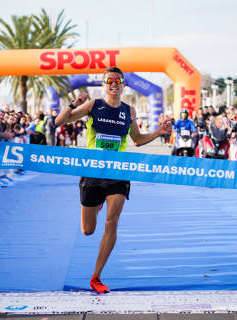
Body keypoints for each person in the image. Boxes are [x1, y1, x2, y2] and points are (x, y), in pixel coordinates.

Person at [55, 66, 171, 293]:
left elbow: (136, 140)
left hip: (118, 172)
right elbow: (60, 122)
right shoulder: (94, 105)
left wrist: (158, 132)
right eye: (110, 81)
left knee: (112, 221)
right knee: (87, 230)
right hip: (93, 171)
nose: (114, 84)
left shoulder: (129, 110)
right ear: (103, 84)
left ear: (124, 85)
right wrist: (73, 103)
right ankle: (97, 204)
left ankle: (96, 276)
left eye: (118, 81)